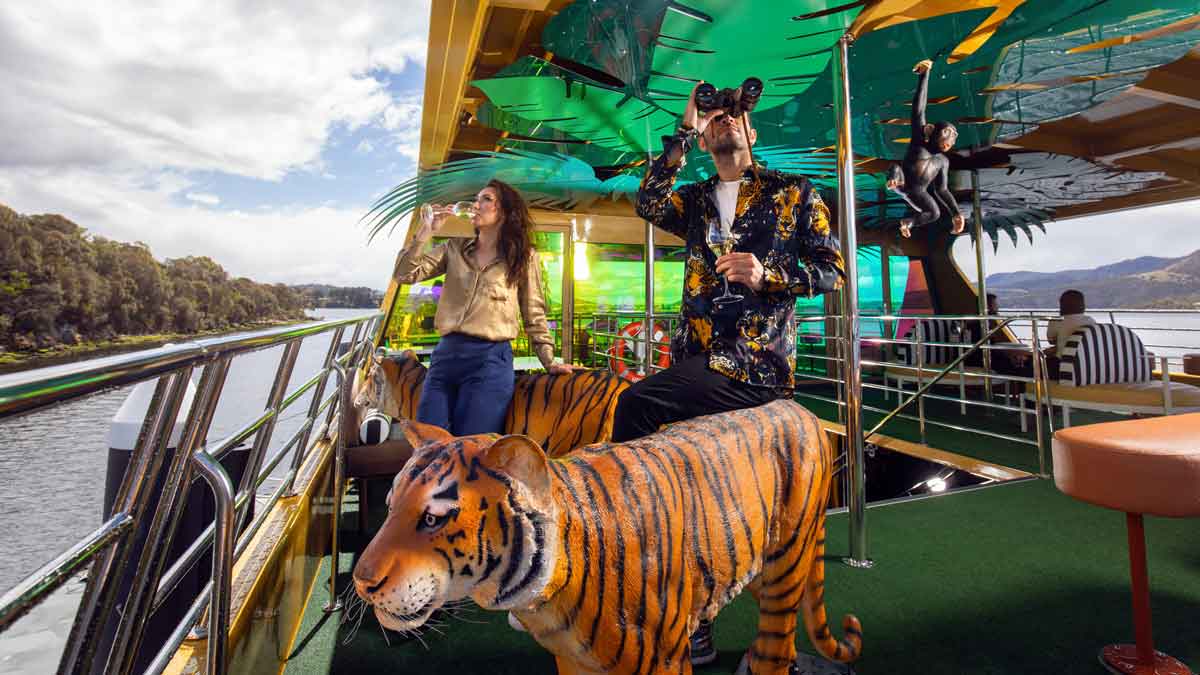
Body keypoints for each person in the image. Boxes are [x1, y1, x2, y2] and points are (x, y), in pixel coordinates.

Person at [617, 80, 846, 665]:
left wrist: (768, 272)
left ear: (751, 127)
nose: (722, 120)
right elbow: (646, 201)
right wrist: (684, 131)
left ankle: (628, 543)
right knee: (688, 477)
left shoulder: (793, 191)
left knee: (636, 405)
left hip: (752, 362)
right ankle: (690, 611)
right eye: (713, 116)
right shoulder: (693, 198)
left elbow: (832, 271)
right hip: (695, 356)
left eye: (730, 114)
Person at [391, 179, 572, 436]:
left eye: (485, 199)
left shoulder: (523, 256)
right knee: (428, 440)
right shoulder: (454, 248)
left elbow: (533, 311)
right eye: (476, 199)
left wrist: (549, 360)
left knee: (473, 447)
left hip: (489, 360)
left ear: (505, 211)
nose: (476, 205)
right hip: (445, 356)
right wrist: (424, 234)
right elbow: (403, 275)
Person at [886, 59, 965, 239]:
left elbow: (942, 190)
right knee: (895, 168)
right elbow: (918, 110)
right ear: (931, 131)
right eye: (946, 133)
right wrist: (924, 75)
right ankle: (892, 181)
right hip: (902, 181)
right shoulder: (920, 141)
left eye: (952, 137)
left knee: (935, 214)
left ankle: (908, 223)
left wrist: (956, 213)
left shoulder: (943, 161)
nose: (949, 140)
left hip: (918, 193)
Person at [1046, 289, 1096, 356]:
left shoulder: (1056, 320)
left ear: (1062, 304)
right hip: (1086, 359)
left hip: (1063, 361)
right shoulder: (1090, 320)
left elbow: (1051, 341)